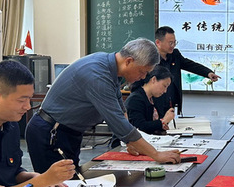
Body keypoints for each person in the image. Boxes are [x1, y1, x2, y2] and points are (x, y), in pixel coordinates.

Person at [25, 39, 181, 172]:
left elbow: (121, 110)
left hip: (68, 132)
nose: (143, 77)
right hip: (51, 133)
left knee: (72, 183)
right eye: (142, 71)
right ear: (129, 61)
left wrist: (130, 142)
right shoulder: (97, 74)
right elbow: (118, 122)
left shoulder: (110, 67)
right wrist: (156, 154)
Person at [0, 60, 75, 187]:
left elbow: (13, 172)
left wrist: (35, 177)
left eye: (29, 99)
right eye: (21, 100)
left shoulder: (11, 126)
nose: (27, 107)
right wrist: (43, 180)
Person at [138, 26, 220, 117]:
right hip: (154, 105)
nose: (173, 45)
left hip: (172, 103)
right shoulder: (149, 58)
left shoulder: (175, 54)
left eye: (174, 42)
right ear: (158, 42)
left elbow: (191, 65)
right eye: (170, 43)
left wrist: (208, 73)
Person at [125, 66, 176, 134]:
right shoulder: (135, 99)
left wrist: (162, 124)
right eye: (164, 86)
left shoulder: (154, 98)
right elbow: (139, 127)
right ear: (153, 79)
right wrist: (163, 121)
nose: (165, 91)